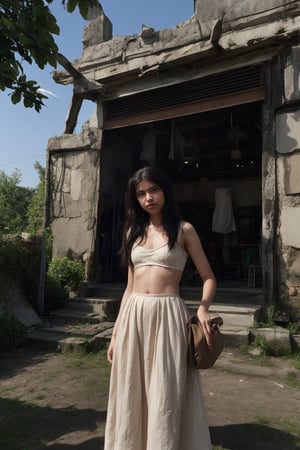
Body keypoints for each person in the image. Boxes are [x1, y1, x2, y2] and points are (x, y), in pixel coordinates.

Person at [104, 167, 216, 450]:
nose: (148, 198)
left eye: (153, 189)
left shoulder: (184, 230)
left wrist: (203, 308)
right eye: (141, 194)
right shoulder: (132, 231)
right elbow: (129, 287)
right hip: (134, 315)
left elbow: (209, 278)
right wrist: (116, 334)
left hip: (168, 314)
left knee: (166, 388)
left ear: (165, 190)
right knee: (132, 387)